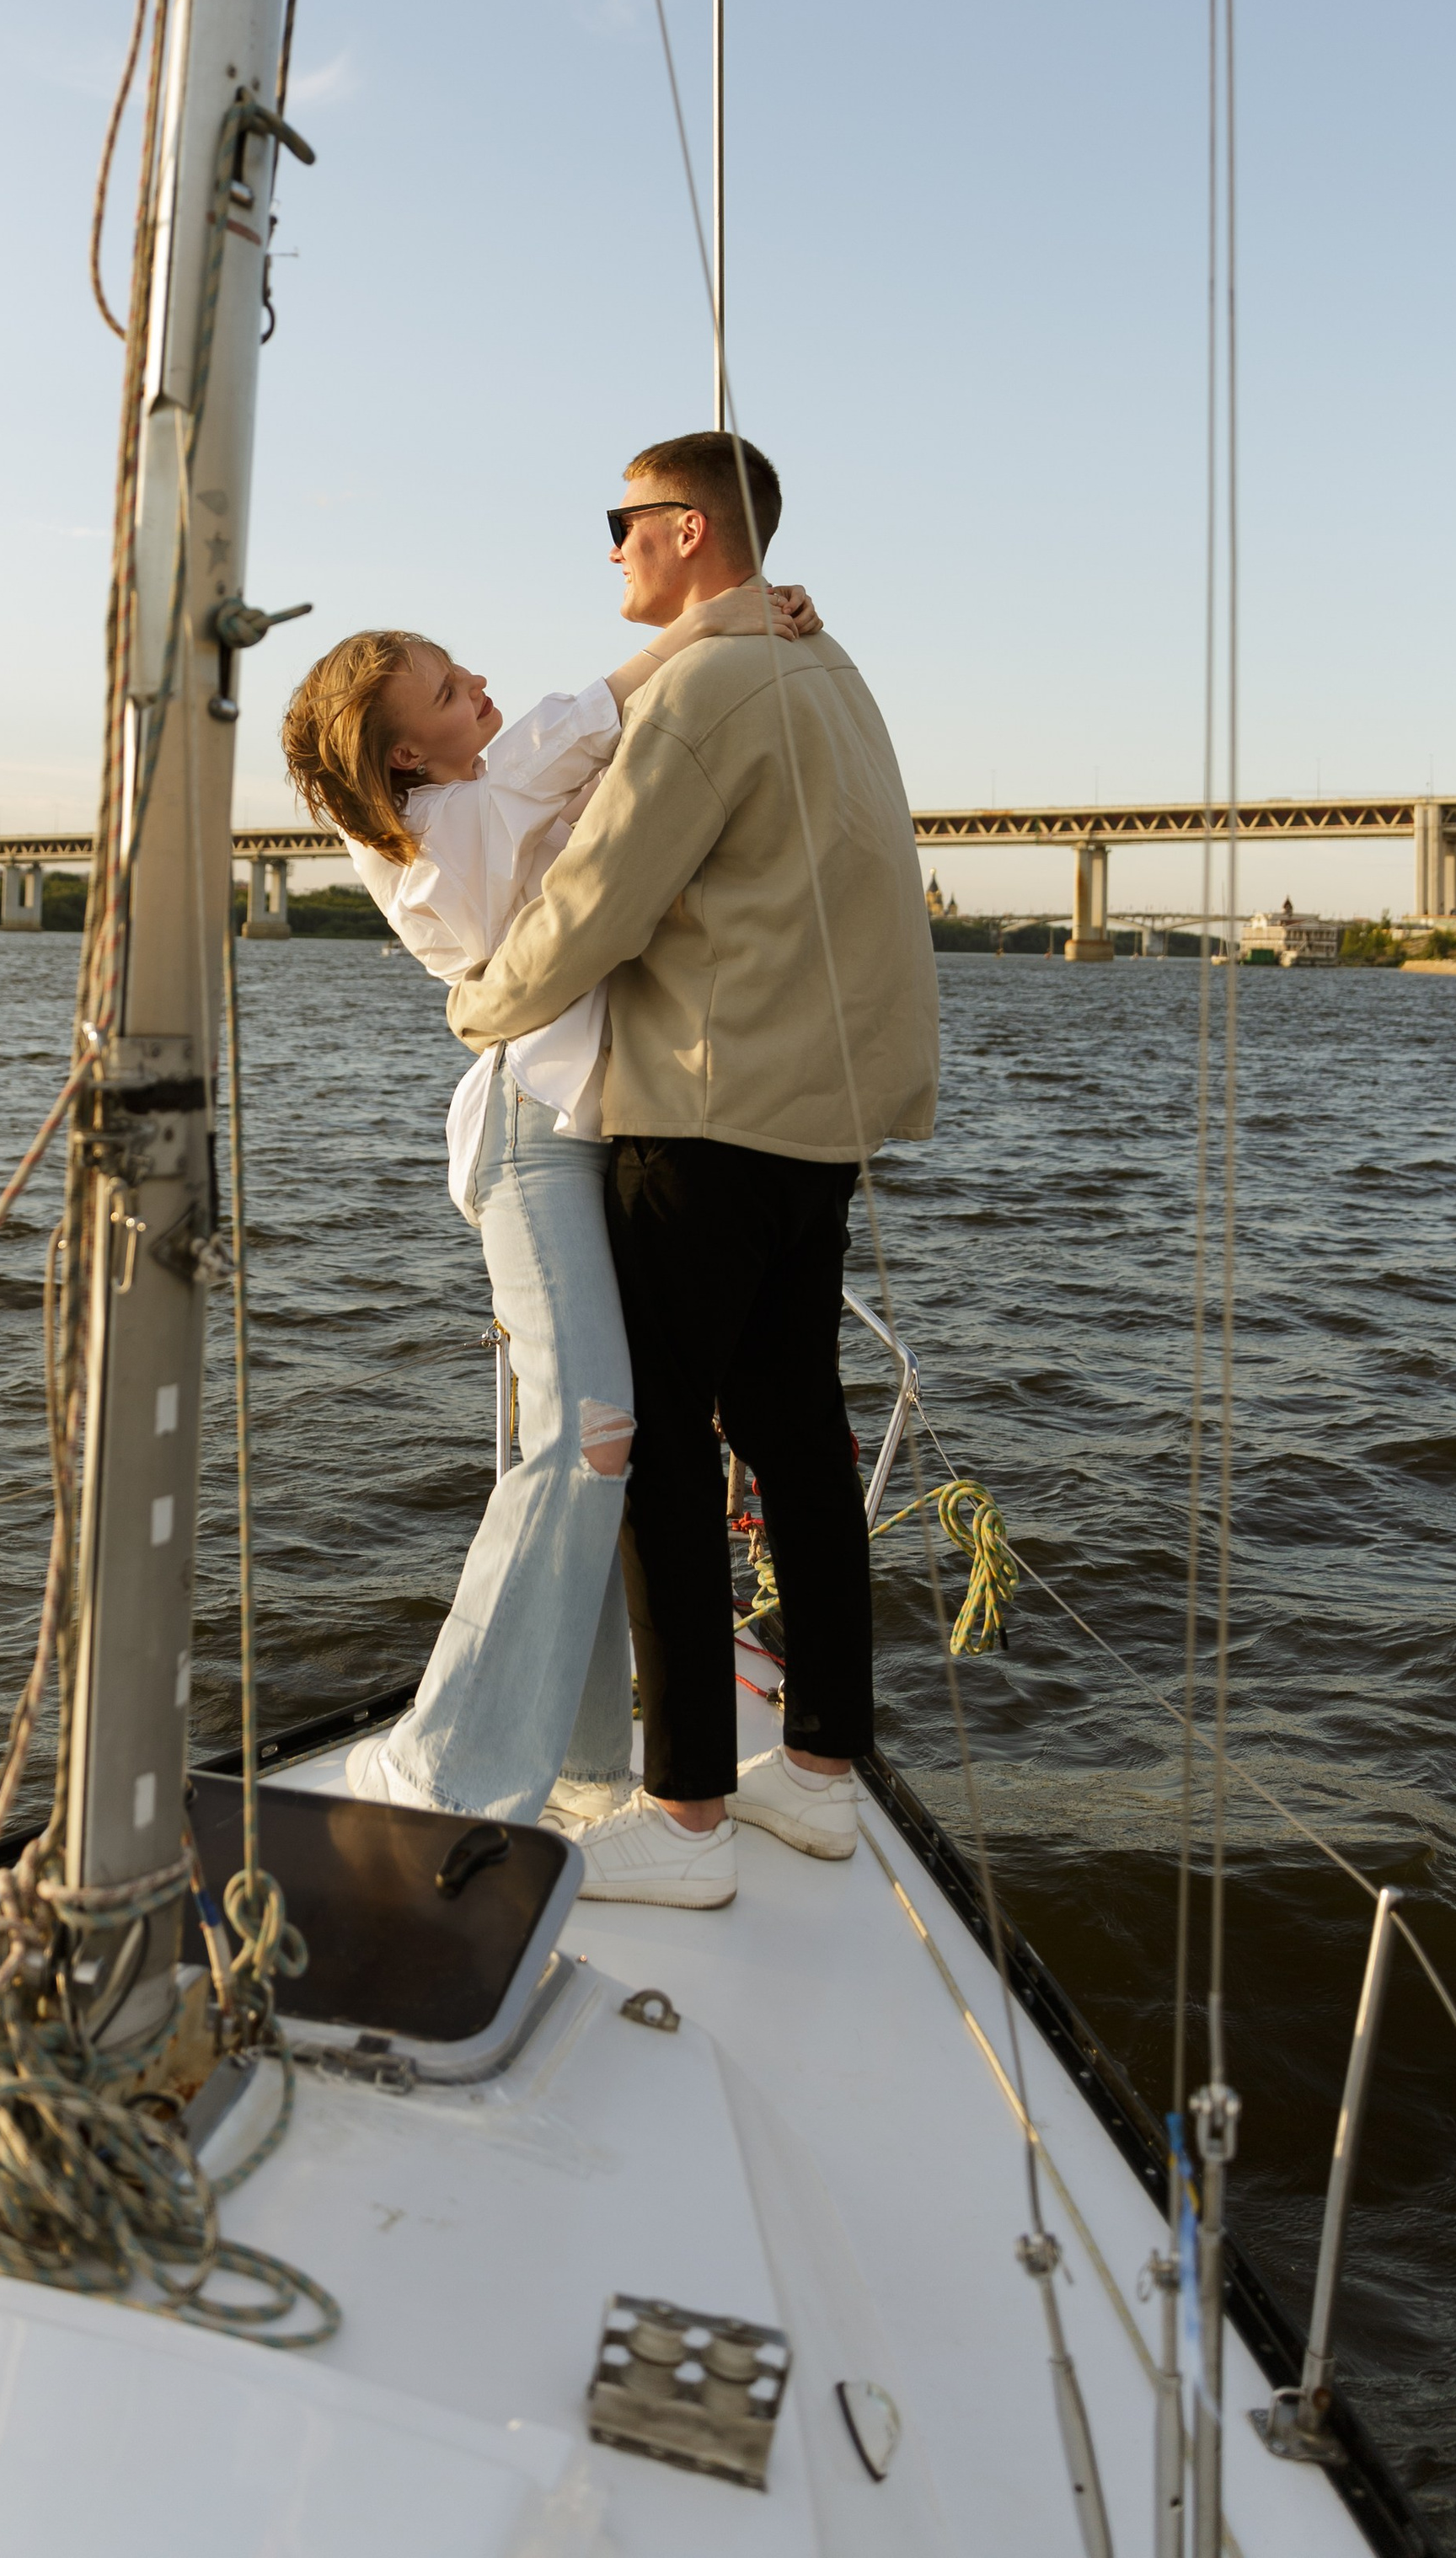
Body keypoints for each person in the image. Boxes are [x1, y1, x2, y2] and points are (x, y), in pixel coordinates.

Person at [447, 432, 939, 1908]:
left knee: (655, 1439)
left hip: (710, 1119)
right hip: (820, 1127)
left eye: (623, 523)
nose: (609, 550)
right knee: (794, 1431)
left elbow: (595, 905)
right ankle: (823, 1776)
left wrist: (475, 1005)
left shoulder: (714, 689)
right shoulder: (827, 671)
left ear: (689, 534)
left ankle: (685, 1820)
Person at [279, 572, 822, 1827]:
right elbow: (598, 712)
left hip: (593, 1122)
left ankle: (582, 1762)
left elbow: (603, 763)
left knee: (595, 1451)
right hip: (532, 1134)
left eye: (461, 665)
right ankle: (440, 1765)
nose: (479, 683)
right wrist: (716, 618)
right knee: (592, 1432)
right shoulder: (457, 819)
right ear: (407, 751)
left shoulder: (468, 803)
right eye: (445, 687)